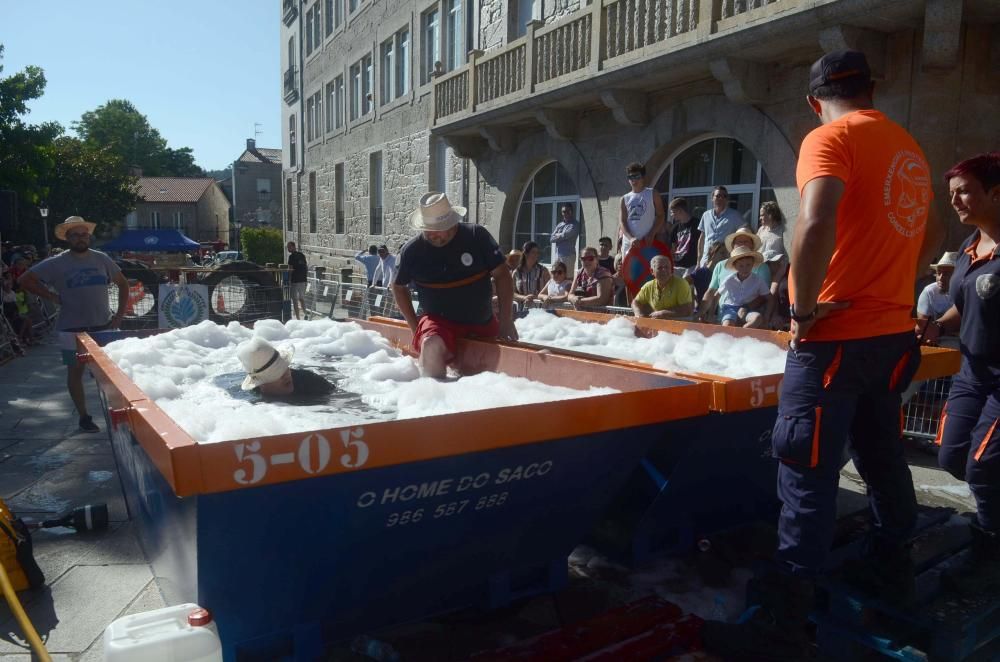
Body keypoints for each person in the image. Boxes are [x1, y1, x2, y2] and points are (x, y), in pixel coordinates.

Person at [702, 50, 939, 660]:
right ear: (871, 88)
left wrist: (803, 312)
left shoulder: (829, 137)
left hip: (837, 336)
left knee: (804, 467)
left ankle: (781, 619)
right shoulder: (906, 145)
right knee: (884, 453)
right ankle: (891, 568)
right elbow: (923, 230)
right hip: (892, 333)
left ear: (814, 100)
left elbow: (815, 221)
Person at [920, 152, 1000, 595]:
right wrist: (936, 324)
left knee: (983, 466)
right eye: (952, 194)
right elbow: (964, 304)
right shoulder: (970, 247)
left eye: (965, 191)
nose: (956, 201)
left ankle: (989, 552)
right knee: (952, 458)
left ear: (996, 192)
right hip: (971, 371)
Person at [19, 217, 130, 433]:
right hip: (70, 330)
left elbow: (123, 284)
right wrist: (51, 296)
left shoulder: (102, 259)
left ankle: (118, 414)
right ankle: (84, 417)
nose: (80, 238)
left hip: (103, 327)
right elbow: (25, 279)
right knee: (74, 372)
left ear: (89, 236)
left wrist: (119, 316)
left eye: (84, 234)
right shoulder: (56, 262)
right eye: (75, 235)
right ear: (68, 238)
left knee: (113, 373)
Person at [392, 192, 517, 379]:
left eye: (439, 228)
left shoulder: (476, 236)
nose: (434, 234)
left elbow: (503, 275)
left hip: (480, 321)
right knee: (430, 344)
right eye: (428, 229)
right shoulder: (412, 251)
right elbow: (398, 287)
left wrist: (506, 320)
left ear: (452, 222)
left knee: (494, 371)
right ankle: (433, 401)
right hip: (438, 321)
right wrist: (414, 327)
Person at [238, 337, 333, 400]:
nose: (287, 373)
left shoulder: (311, 383)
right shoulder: (251, 400)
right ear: (262, 384)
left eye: (285, 366)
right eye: (277, 372)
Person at [698, 246, 770, 327]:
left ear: (753, 264)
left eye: (748, 265)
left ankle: (744, 332)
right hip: (730, 308)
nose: (745, 268)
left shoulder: (758, 280)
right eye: (741, 266)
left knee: (757, 318)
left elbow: (768, 296)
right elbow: (717, 294)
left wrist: (767, 316)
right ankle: (733, 334)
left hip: (748, 309)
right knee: (727, 324)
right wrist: (711, 314)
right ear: (735, 267)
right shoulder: (729, 280)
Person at [619, 162, 666, 259]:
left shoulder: (652, 193)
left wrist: (652, 234)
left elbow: (661, 215)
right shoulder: (624, 198)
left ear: (643, 177)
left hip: (647, 242)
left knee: (648, 271)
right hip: (630, 243)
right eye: (630, 177)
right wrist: (631, 238)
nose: (634, 180)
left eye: (637, 176)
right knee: (629, 273)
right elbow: (622, 221)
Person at [696, 186, 746, 270]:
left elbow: (746, 232)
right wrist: (698, 261)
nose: (721, 198)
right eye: (718, 196)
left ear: (727, 199)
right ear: (712, 198)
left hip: (724, 262)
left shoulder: (734, 215)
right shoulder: (706, 215)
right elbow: (702, 238)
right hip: (705, 262)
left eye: (724, 196)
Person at [631, 254, 693, 319]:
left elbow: (687, 310)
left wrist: (662, 313)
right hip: (659, 327)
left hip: (681, 327)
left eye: (667, 267)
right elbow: (635, 302)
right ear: (652, 271)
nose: (664, 270)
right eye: (660, 268)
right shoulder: (648, 286)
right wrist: (638, 314)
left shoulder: (681, 284)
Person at [916, 251, 957, 321]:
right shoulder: (930, 292)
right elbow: (923, 326)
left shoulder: (967, 292)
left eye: (946, 274)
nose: (940, 278)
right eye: (938, 273)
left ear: (957, 275)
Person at [512, 241, 551, 307]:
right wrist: (524, 298)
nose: (536, 255)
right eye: (533, 252)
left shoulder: (543, 271)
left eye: (537, 253)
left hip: (540, 309)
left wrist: (536, 297)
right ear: (526, 253)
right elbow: (511, 292)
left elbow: (550, 290)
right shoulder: (516, 272)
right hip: (522, 310)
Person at [669, 198, 701, 274]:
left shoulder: (697, 224)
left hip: (691, 265)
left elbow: (702, 243)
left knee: (687, 285)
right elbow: (673, 247)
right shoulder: (675, 227)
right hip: (677, 265)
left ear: (680, 211)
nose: (671, 215)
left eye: (673, 212)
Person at [550, 204, 581, 278]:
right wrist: (562, 235)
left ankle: (569, 290)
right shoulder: (560, 224)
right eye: (564, 211)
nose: (565, 213)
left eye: (568, 211)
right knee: (558, 276)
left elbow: (566, 235)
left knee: (568, 277)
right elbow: (551, 239)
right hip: (558, 255)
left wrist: (558, 235)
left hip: (568, 255)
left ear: (571, 212)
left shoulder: (575, 224)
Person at [287, 241, 308, 320]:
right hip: (303, 280)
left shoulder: (291, 257)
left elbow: (290, 269)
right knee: (302, 298)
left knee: (295, 300)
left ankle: (298, 318)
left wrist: (288, 280)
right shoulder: (302, 255)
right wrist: (305, 279)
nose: (288, 249)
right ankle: (305, 314)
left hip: (295, 281)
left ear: (293, 246)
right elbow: (306, 267)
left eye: (289, 247)